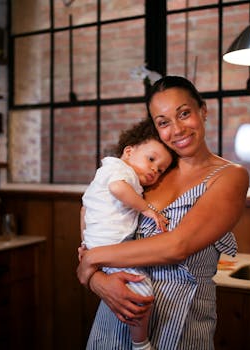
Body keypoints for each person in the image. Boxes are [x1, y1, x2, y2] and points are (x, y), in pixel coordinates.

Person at [78, 75, 249, 350]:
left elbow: (177, 245)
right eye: (163, 122)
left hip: (180, 328)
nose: (177, 129)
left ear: (202, 111)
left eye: (184, 114)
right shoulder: (150, 175)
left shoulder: (229, 176)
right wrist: (97, 280)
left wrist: (90, 260)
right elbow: (93, 205)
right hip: (117, 318)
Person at [81, 118, 175, 350]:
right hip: (110, 246)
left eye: (161, 169)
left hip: (101, 245)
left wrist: (85, 240)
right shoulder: (120, 172)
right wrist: (146, 209)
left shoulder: (115, 173)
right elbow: (117, 188)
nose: (155, 169)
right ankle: (140, 343)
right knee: (141, 292)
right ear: (129, 151)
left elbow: (85, 206)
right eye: (151, 159)